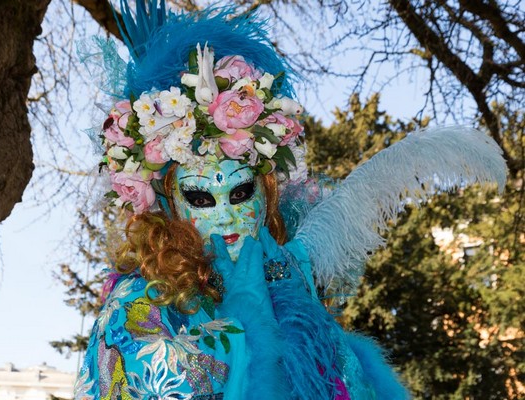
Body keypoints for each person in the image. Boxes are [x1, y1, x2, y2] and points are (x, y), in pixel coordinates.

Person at [74, 2, 507, 399]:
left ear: (266, 196)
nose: (225, 213)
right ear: (168, 205)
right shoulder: (142, 302)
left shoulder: (291, 287)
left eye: (240, 192)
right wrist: (246, 325)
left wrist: (284, 303)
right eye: (201, 196)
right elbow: (150, 374)